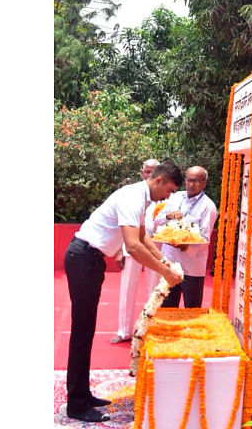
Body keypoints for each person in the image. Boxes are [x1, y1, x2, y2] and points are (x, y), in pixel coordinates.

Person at [63, 160, 184, 423]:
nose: (169, 196)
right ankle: (76, 403)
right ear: (160, 180)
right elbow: (133, 246)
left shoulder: (142, 198)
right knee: (82, 331)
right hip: (83, 257)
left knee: (86, 329)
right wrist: (165, 273)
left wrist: (165, 262)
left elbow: (143, 238)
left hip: (90, 259)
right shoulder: (133, 197)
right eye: (170, 190)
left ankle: (82, 393)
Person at [109, 159, 161, 344]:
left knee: (154, 291)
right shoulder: (132, 193)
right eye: (146, 171)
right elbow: (125, 228)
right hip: (132, 248)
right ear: (142, 172)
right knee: (127, 289)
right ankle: (124, 331)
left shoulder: (164, 196)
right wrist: (121, 250)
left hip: (155, 248)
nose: (149, 175)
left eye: (153, 172)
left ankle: (149, 329)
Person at [154, 166, 218, 308]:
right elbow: (157, 221)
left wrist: (185, 246)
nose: (190, 184)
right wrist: (169, 216)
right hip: (170, 264)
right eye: (188, 180)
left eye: (195, 181)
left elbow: (205, 239)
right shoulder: (176, 197)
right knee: (166, 307)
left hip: (192, 268)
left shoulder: (208, 206)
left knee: (192, 310)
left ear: (204, 182)